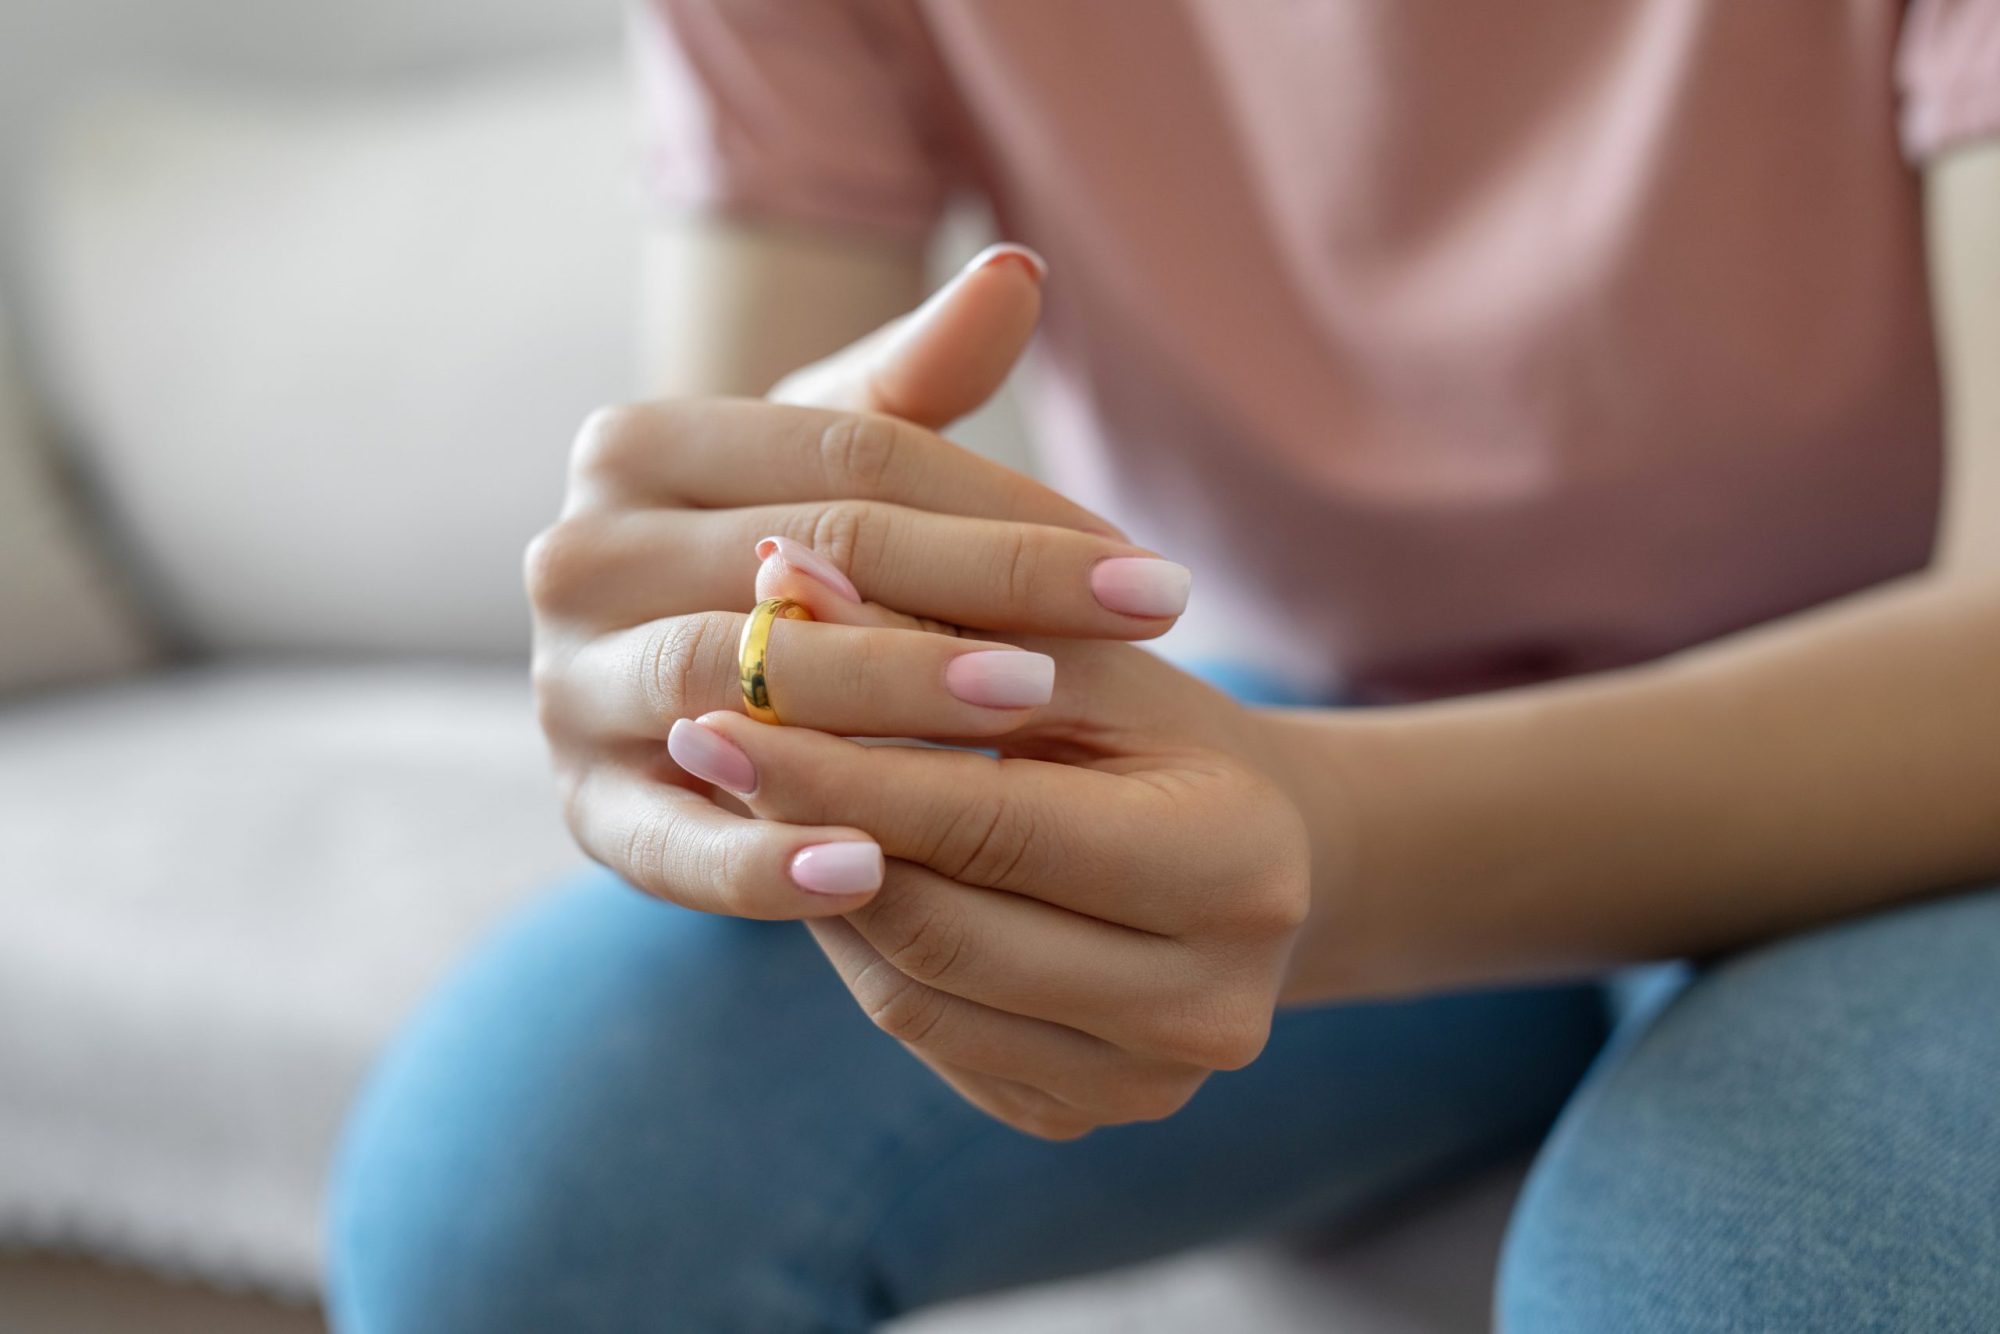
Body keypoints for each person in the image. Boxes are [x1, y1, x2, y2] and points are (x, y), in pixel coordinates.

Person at [326, 3, 2000, 1330]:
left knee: (1727, 1282)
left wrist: (1333, 844)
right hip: (1294, 709)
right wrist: (729, 668)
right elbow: (762, 501)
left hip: (1894, 784)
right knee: (512, 1193)